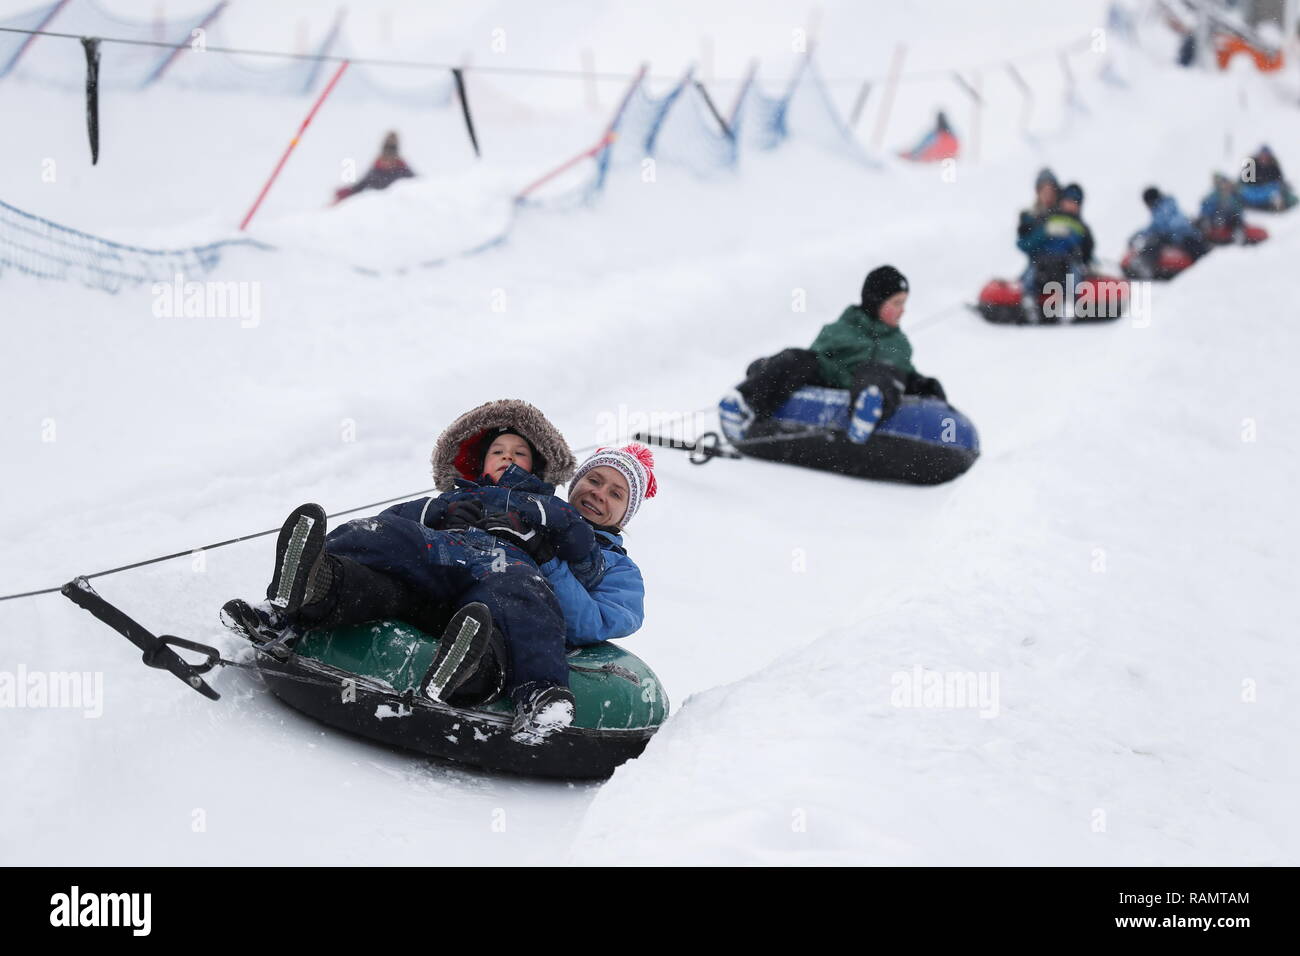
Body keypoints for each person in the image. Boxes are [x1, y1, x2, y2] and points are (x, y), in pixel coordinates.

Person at [247, 400, 644, 746]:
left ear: (538, 468)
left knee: (523, 597)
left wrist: (541, 537)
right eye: (498, 451)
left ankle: (530, 689)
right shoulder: (456, 496)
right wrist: (441, 511)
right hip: (439, 560)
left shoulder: (548, 509)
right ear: (479, 460)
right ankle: (312, 582)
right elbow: (395, 519)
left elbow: (581, 551)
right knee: (387, 537)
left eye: (520, 453)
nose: (508, 458)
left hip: (499, 574)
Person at [721, 265, 946, 445]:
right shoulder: (841, 328)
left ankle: (867, 410)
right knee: (797, 357)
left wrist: (926, 386)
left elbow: (905, 373)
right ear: (876, 301)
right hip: (836, 379)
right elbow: (815, 359)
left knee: (882, 373)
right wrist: (770, 368)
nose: (903, 310)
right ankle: (743, 404)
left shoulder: (899, 343)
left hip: (874, 383)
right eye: (896, 303)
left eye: (904, 303)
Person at [1016, 181, 1095, 300]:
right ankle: (1025, 299)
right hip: (1043, 259)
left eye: (1074, 202)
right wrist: (1044, 232)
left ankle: (1075, 302)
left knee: (1075, 277)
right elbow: (1029, 240)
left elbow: (1087, 248)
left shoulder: (1081, 226)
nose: (1070, 205)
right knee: (1030, 275)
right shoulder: (1049, 217)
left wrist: (1079, 251)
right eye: (1067, 201)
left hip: (1068, 260)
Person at [1128, 186, 1207, 277]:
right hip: (1180, 238)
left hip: (1185, 238)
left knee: (1153, 243)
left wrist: (1164, 233)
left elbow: (1167, 225)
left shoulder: (1165, 208)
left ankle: (1145, 266)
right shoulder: (1162, 208)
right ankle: (1145, 265)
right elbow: (1153, 227)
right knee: (1154, 242)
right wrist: (1137, 235)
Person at [334, 131, 415, 203]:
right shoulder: (375, 171)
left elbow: (419, 186)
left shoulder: (403, 171)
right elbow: (359, 187)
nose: (388, 161)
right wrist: (346, 193)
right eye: (386, 155)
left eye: (391, 155)